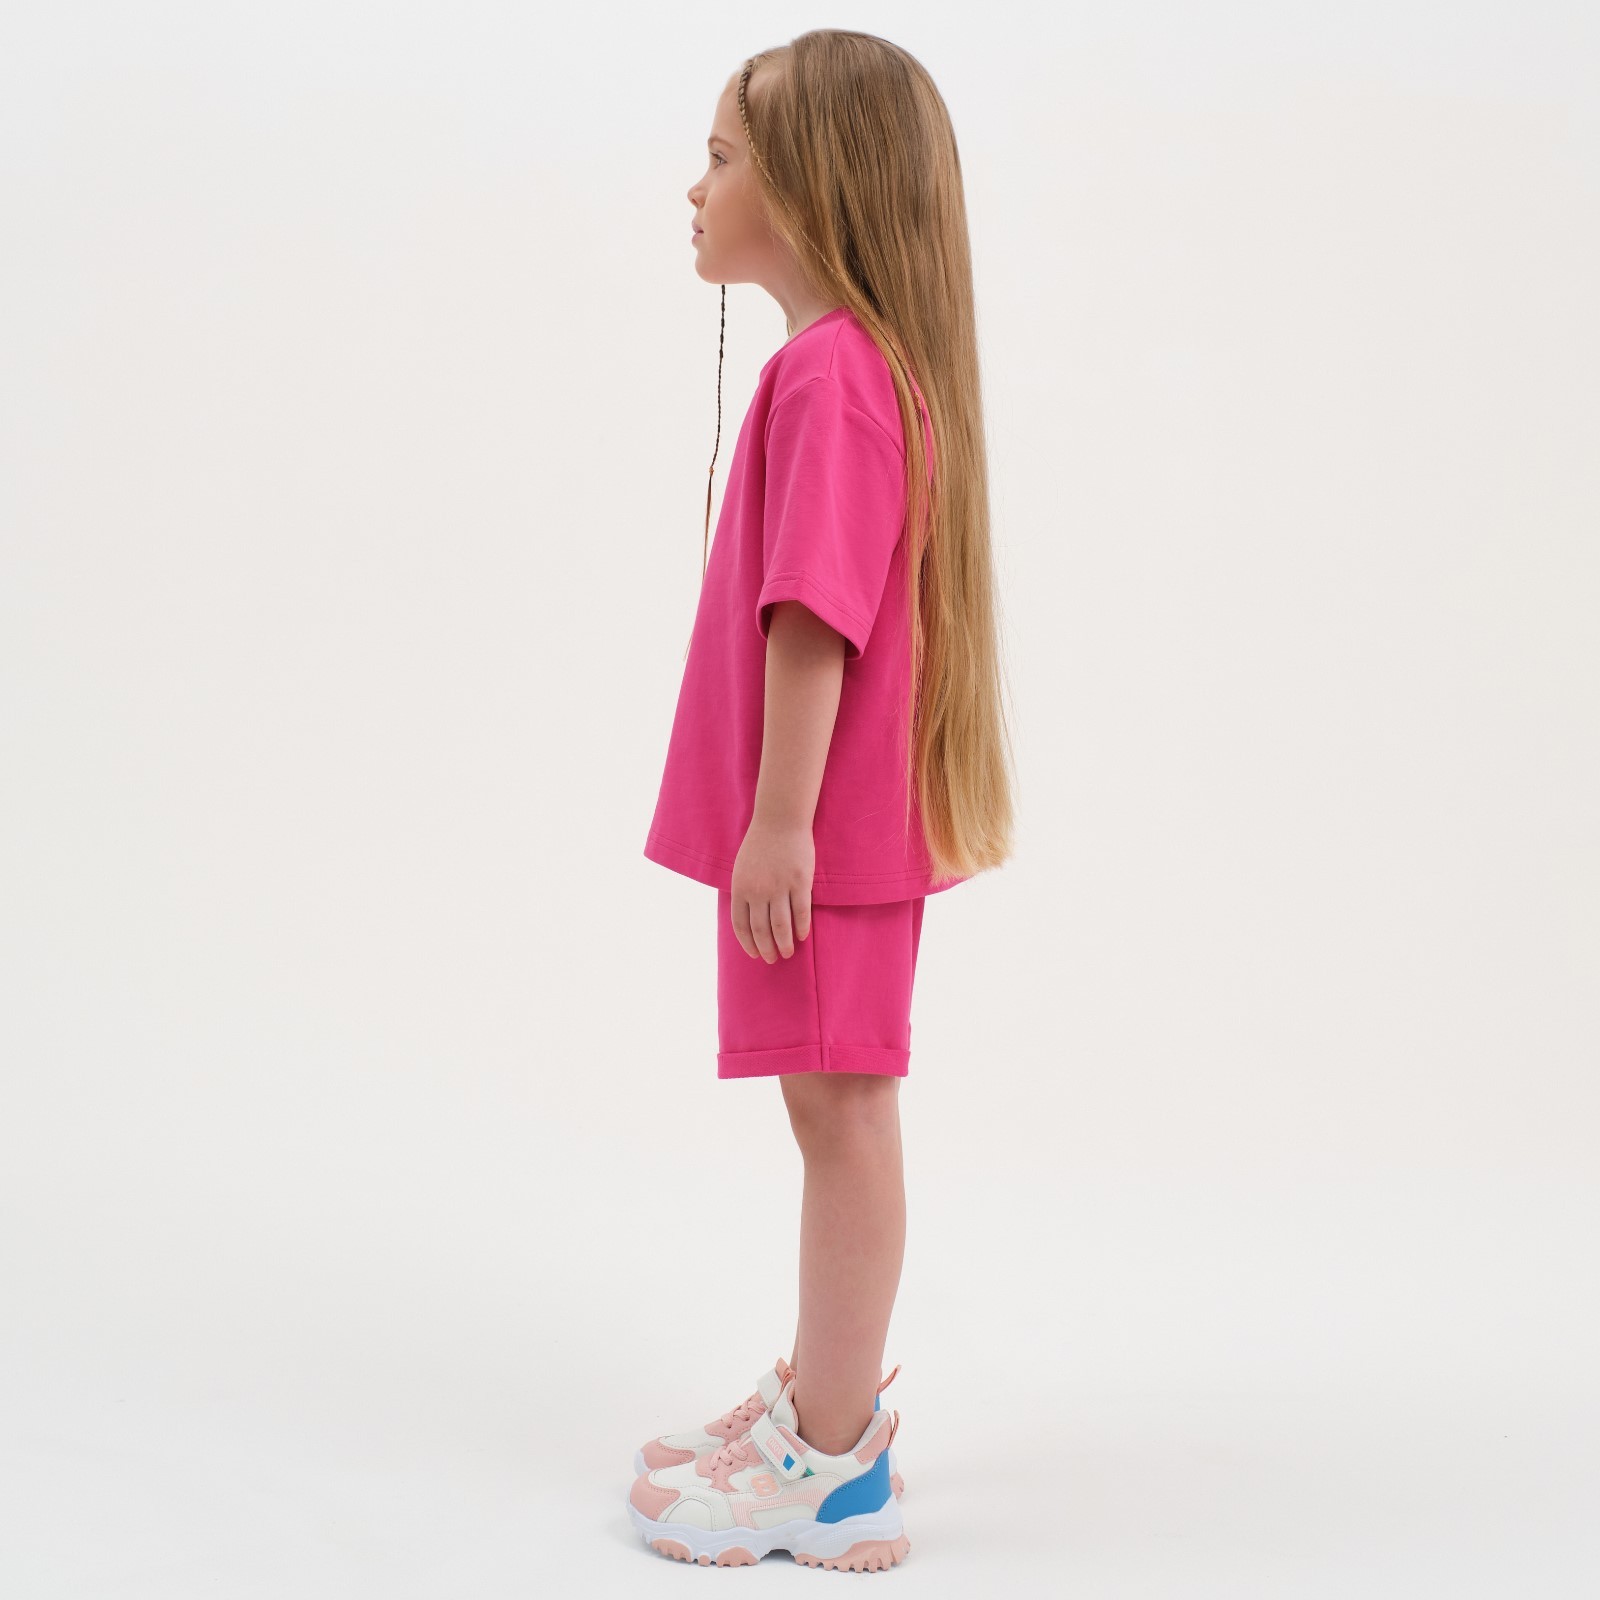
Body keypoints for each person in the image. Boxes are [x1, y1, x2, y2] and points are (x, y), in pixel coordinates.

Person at [627, 30, 1015, 1571]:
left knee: (844, 1113)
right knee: (829, 1105)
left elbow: (815, 617)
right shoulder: (843, 371)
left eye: (721, 158)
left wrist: (779, 819)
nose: (695, 187)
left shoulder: (834, 378)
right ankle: (822, 1404)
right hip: (834, 834)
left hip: (828, 837)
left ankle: (834, 1462)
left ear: (808, 189)